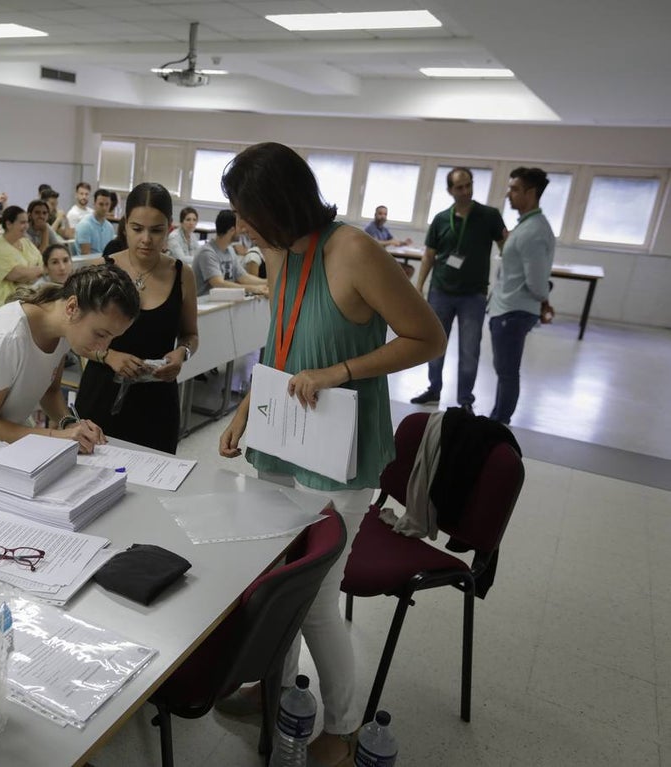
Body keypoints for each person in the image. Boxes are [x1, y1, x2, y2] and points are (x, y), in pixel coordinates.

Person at [215, 142, 445, 767]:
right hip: (282, 435)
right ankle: (275, 690)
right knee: (273, 583)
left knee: (315, 595)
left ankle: (341, 726)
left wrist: (341, 370)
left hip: (338, 448)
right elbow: (282, 340)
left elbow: (428, 337)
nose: (241, 225)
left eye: (247, 211)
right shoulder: (279, 249)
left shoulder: (352, 250)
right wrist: (244, 410)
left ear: (281, 204)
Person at [0, 264, 140, 501]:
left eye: (112, 338)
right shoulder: (7, 338)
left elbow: (50, 390)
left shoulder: (63, 330)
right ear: (72, 307)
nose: (104, 348)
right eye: (101, 335)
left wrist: (69, 424)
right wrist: (57, 437)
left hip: (0, 447)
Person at [75, 182, 199, 454]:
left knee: (156, 478)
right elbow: (74, 339)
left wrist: (182, 353)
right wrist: (109, 356)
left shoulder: (181, 274)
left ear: (169, 228)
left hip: (157, 399)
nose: (146, 239)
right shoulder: (102, 269)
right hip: (102, 394)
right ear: (124, 225)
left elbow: (191, 334)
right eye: (137, 229)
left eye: (156, 231)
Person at [412, 167, 508, 414]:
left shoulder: (489, 216)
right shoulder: (441, 219)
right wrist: (419, 285)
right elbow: (429, 256)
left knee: (469, 348)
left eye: (468, 185)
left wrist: (506, 283)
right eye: (459, 187)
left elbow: (506, 247)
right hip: (441, 291)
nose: (465, 191)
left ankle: (465, 399)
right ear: (450, 190)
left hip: (473, 295)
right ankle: (434, 389)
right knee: (435, 343)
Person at [487, 167, 556, 425]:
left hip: (513, 312)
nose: (509, 194)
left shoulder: (533, 231)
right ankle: (497, 419)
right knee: (504, 370)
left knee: (507, 372)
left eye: (515, 189)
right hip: (507, 308)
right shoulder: (526, 226)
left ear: (531, 192)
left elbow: (537, 284)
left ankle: (498, 423)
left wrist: (544, 300)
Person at [192, 210, 269, 296]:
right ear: (232, 230)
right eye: (240, 227)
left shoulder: (229, 250)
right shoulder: (207, 253)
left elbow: (243, 277)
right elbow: (219, 284)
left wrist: (267, 282)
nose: (243, 231)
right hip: (205, 305)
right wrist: (253, 289)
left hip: (222, 302)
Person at [0, 205, 45, 312]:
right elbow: (16, 275)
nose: (26, 226)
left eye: (27, 222)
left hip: (30, 300)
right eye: (22, 223)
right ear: (8, 224)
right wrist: (38, 271)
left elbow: (41, 262)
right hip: (5, 305)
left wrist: (30, 272)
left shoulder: (25, 242)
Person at [75, 189, 116, 255]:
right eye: (101, 204)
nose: (104, 208)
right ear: (94, 204)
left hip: (105, 262)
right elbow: (86, 256)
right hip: (88, 264)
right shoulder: (85, 225)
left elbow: (111, 251)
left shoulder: (109, 227)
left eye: (107, 204)